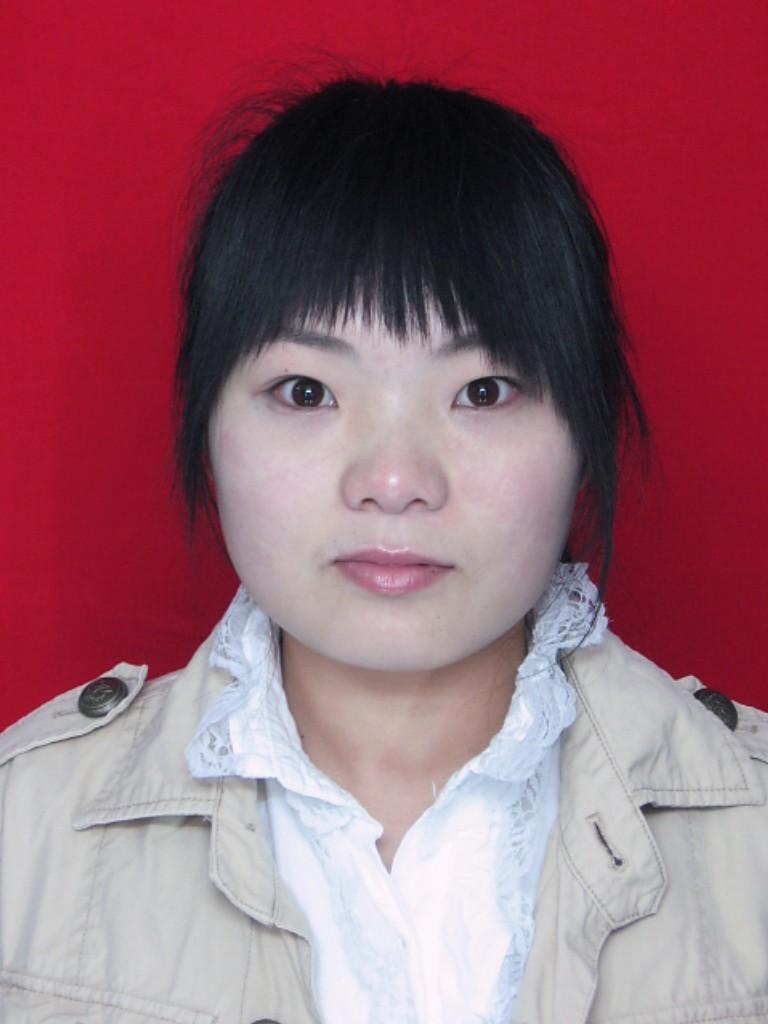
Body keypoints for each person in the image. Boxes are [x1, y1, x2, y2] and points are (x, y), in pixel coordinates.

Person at [1, 74, 766, 1024]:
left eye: (483, 391)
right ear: (207, 426)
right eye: (307, 392)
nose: (395, 479)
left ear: (586, 429)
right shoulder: (23, 832)